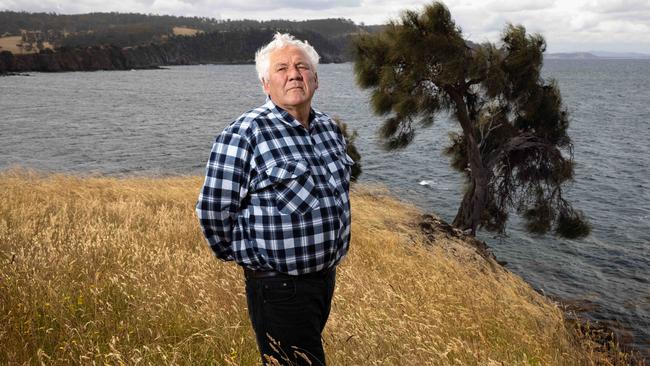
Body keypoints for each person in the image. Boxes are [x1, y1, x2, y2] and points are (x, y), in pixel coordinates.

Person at [196, 32, 354, 366]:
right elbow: (214, 209)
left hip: (324, 280)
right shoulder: (245, 133)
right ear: (266, 84)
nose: (294, 74)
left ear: (316, 79)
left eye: (302, 67)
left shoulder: (328, 129)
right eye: (282, 69)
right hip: (278, 288)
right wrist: (253, 261)